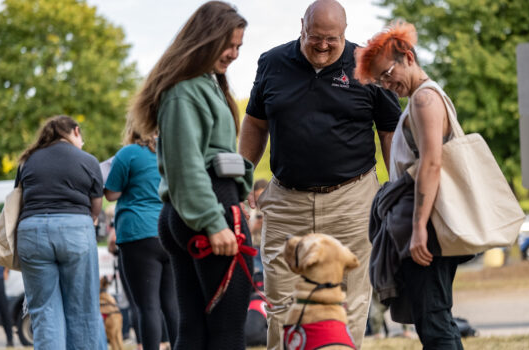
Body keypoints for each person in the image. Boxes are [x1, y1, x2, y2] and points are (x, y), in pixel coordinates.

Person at [238, 0, 401, 348]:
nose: (323, 45)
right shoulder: (272, 62)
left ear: (345, 32)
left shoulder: (368, 66)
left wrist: (396, 188)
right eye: (315, 37)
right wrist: (241, 176)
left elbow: (390, 131)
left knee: (352, 299)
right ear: (302, 27)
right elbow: (254, 122)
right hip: (286, 199)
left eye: (333, 39)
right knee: (281, 298)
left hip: (353, 198)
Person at [130, 2, 253, 349]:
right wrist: (214, 223)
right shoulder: (186, 91)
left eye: (239, 47)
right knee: (227, 330)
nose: (233, 54)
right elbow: (186, 167)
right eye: (229, 45)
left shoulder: (204, 85)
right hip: (206, 209)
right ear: (206, 39)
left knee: (195, 328)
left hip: (192, 210)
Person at [354, 21, 468, 348]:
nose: (386, 84)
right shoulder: (421, 97)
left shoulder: (424, 99)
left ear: (408, 56)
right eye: (379, 81)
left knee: (433, 320)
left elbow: (431, 163)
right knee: (432, 318)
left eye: (388, 74)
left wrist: (418, 228)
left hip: (427, 228)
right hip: (426, 224)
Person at [15, 115, 106, 349]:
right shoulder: (88, 160)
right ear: (75, 131)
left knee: (44, 312)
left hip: (32, 232)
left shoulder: (27, 160)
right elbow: (96, 207)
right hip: (75, 230)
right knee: (82, 310)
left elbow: (20, 197)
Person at [104, 118, 178, 350]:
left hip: (138, 234)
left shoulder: (128, 154)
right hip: (170, 232)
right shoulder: (171, 153)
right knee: (172, 304)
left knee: (147, 306)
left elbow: (111, 194)